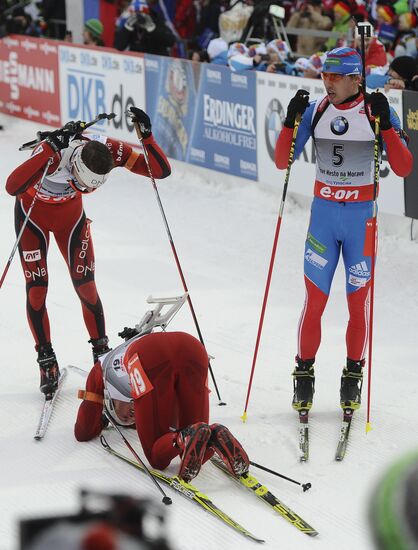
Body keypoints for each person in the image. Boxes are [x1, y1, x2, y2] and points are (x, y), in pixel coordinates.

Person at [274, 47, 413, 413]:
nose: (327, 83)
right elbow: (280, 161)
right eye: (324, 76)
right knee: (314, 302)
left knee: (357, 305)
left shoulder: (375, 110)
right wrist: (290, 122)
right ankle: (303, 374)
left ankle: (353, 374)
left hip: (360, 222)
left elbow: (403, 168)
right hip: (323, 219)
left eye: (335, 77)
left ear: (356, 78)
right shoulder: (318, 111)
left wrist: (388, 127)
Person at [5, 108, 171, 398]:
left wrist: (147, 136)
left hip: (70, 219)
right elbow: (11, 187)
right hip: (32, 217)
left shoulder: (108, 149)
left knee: (87, 287)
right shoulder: (55, 154)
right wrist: (47, 149)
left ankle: (101, 356)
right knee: (37, 290)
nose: (83, 188)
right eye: (79, 184)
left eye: (89, 188)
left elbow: (159, 171)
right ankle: (46, 359)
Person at [75, 328, 249, 483]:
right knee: (194, 439)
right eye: (129, 422)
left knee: (157, 458)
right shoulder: (112, 363)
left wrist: (98, 412)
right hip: (191, 346)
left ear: (109, 400)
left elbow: (82, 432)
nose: (131, 416)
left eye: (122, 415)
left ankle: (184, 437)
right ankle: (216, 433)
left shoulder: (100, 370)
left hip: (148, 354)